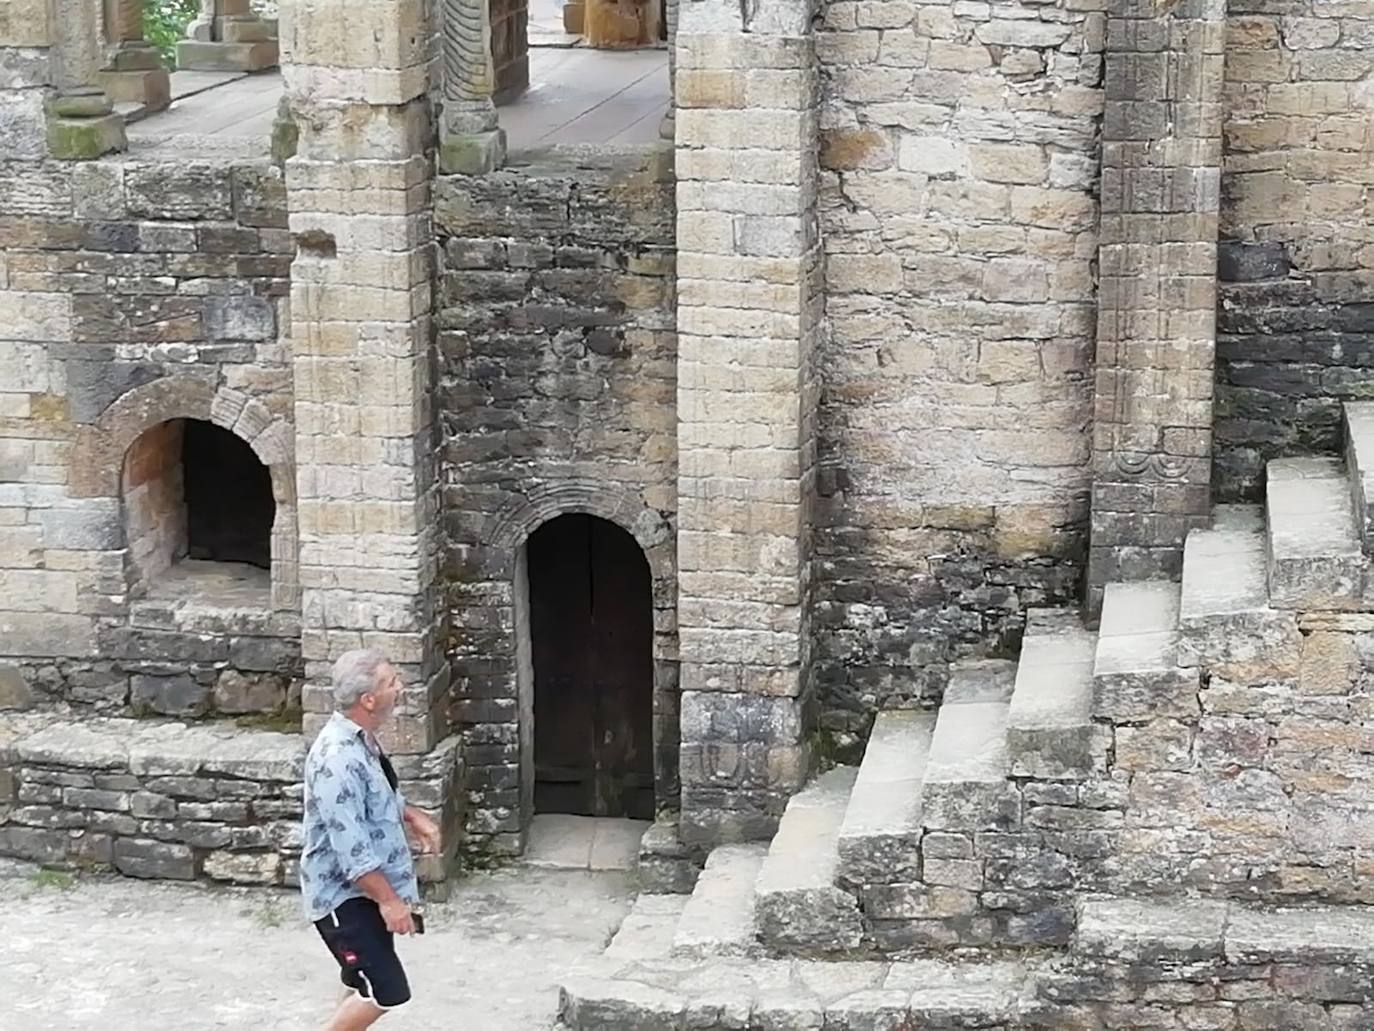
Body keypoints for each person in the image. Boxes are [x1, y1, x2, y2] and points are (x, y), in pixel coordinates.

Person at [300, 648, 442, 1030]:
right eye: (391, 682)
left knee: (358, 980)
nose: (400, 688)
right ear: (368, 699)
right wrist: (391, 902)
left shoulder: (362, 740)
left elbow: (375, 797)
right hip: (343, 898)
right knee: (387, 989)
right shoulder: (337, 759)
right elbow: (353, 852)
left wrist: (413, 817)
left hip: (361, 895)